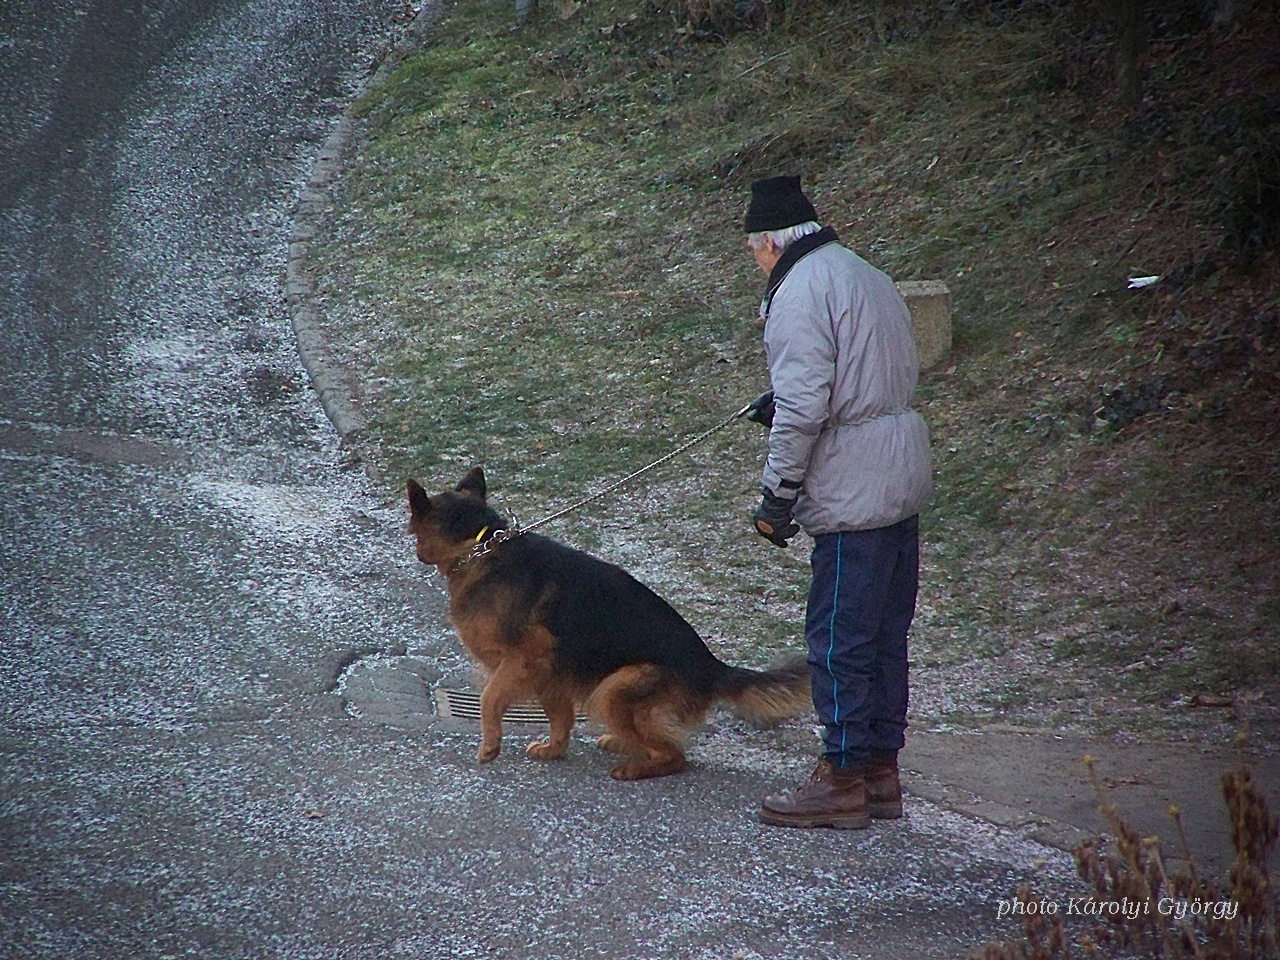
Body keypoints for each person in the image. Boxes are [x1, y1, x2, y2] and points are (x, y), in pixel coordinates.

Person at [741, 174, 932, 830]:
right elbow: (864, 375)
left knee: (838, 638)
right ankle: (881, 773)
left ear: (771, 243)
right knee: (882, 634)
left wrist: (777, 498)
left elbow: (802, 410)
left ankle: (843, 777)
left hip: (852, 490)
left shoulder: (798, 291)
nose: (757, 264)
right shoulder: (864, 273)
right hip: (899, 478)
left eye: (754, 253)